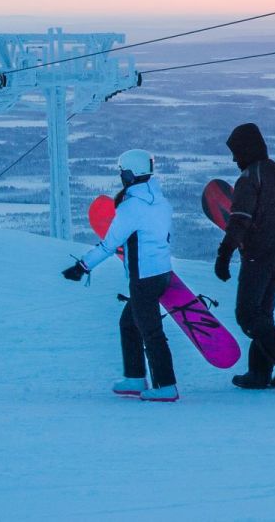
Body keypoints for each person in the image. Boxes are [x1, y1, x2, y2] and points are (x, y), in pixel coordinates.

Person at [62, 149, 178, 402]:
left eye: (122, 172)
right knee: (129, 323)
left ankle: (166, 385)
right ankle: (135, 378)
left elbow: (109, 244)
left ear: (129, 173)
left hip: (144, 278)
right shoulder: (160, 202)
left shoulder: (131, 207)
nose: (120, 176)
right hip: (162, 273)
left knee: (151, 331)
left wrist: (82, 267)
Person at [215, 122, 275, 390]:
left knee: (247, 314)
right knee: (262, 313)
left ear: (247, 149)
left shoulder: (248, 179)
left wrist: (224, 255)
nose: (233, 158)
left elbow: (239, 220)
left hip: (258, 253)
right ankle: (258, 373)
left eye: (236, 152)